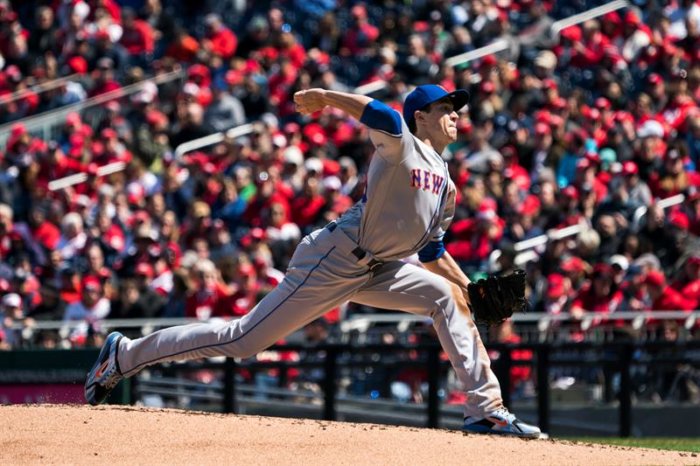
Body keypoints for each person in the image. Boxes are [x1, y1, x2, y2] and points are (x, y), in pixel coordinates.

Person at [85, 84, 541, 438]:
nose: (456, 114)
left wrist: (468, 285)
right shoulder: (403, 144)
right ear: (421, 116)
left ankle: (487, 411)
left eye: (456, 108)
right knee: (242, 340)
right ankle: (124, 355)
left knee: (448, 298)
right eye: (445, 108)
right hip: (336, 258)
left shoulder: (447, 184)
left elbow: (432, 251)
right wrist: (325, 97)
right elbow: (380, 113)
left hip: (383, 267)